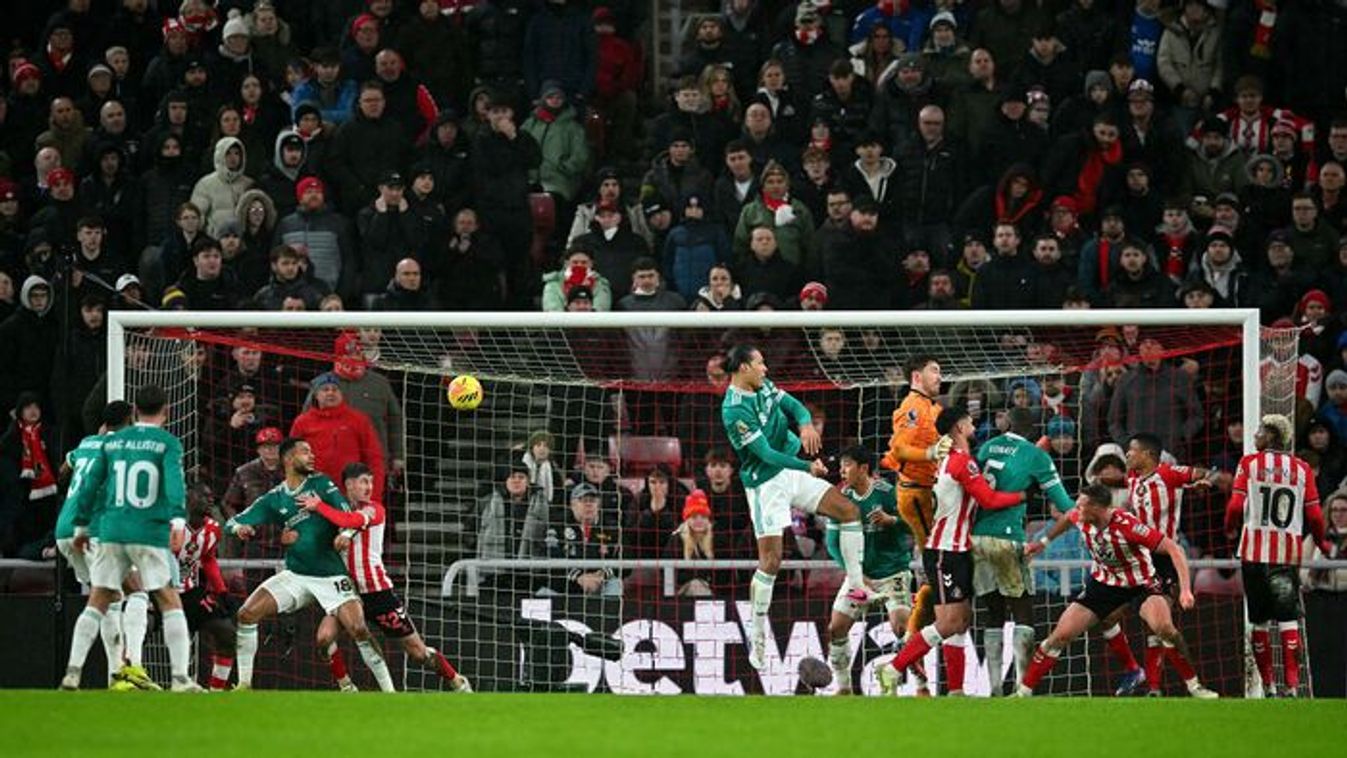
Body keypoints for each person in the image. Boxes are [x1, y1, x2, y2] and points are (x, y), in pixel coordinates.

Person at [720, 344, 872, 671]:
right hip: (765, 484)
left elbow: (792, 405)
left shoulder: (762, 385)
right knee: (771, 561)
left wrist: (805, 425)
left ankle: (857, 587)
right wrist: (807, 467)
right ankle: (757, 635)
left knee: (848, 511)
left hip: (790, 470)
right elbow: (765, 454)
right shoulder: (733, 411)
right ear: (744, 368)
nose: (765, 369)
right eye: (760, 363)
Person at [227, 438, 394, 692]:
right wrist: (240, 528)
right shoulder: (275, 498)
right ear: (288, 459)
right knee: (246, 615)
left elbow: (348, 516)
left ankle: (389, 692)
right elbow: (234, 521)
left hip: (331, 575)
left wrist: (345, 534)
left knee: (358, 629)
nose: (312, 456)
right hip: (296, 574)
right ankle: (244, 685)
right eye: (305, 452)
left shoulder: (321, 484)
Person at [63, 385, 200, 692]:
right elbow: (174, 485)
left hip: (111, 531)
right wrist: (178, 522)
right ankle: (180, 678)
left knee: (98, 599)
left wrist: (81, 527)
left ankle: (72, 672)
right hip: (146, 531)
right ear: (166, 412)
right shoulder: (167, 443)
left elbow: (89, 485)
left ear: (136, 411)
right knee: (168, 599)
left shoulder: (112, 442)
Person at [882, 406, 1025, 695]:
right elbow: (988, 499)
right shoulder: (961, 462)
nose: (973, 425)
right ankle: (893, 668)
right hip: (945, 552)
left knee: (960, 621)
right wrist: (1022, 495)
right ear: (959, 427)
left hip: (954, 551)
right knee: (950, 622)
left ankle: (956, 691)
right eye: (969, 421)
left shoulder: (950, 460)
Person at [1018, 483, 1197, 697]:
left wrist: (1185, 590)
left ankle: (1194, 686)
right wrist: (1043, 542)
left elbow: (1174, 548)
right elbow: (1067, 518)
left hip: (1140, 584)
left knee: (1163, 628)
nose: (1076, 509)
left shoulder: (1127, 525)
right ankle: (1022, 693)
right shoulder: (1080, 517)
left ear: (1096, 508)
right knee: (1060, 635)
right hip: (1104, 584)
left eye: (1081, 505)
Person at [310, 463, 472, 693]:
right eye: (364, 482)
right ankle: (346, 687)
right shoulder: (336, 513)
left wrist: (321, 508)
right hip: (347, 593)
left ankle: (456, 680)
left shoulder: (374, 509)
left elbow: (352, 522)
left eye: (371, 482)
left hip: (378, 594)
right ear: (349, 485)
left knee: (417, 652)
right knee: (324, 638)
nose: (369, 487)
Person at [1224, 414, 1332, 697]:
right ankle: (1293, 688)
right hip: (1285, 554)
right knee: (1288, 619)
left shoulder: (1249, 463)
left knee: (1259, 620)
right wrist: (1322, 543)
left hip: (1253, 553)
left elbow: (1235, 506)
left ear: (1271, 435)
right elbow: (1315, 515)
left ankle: (1269, 687)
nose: (1255, 434)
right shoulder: (1302, 468)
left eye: (1260, 430)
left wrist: (1230, 529)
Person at [972, 425, 1077, 695]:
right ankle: (1022, 687)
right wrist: (1045, 540)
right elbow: (1067, 508)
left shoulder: (988, 446)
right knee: (1023, 611)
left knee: (993, 612)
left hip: (976, 538)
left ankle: (994, 688)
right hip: (1007, 537)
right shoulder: (1036, 456)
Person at [879, 354, 950, 693]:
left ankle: (913, 642)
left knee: (939, 570)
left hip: (928, 492)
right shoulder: (912, 407)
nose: (940, 376)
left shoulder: (932, 408)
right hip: (916, 494)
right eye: (934, 370)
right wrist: (931, 454)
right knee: (938, 568)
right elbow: (901, 449)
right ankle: (910, 640)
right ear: (917, 376)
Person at [51, 400, 134, 685]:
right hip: (92, 531)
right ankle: (111, 674)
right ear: (129, 421)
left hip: (64, 529)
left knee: (111, 596)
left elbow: (64, 469)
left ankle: (117, 673)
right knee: (115, 596)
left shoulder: (87, 443)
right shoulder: (122, 451)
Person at [826, 445, 912, 695]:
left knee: (902, 627)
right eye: (841, 466)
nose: (842, 471)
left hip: (892, 572)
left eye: (847, 465)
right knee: (836, 628)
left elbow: (915, 524)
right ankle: (843, 688)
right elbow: (832, 544)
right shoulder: (839, 498)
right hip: (859, 577)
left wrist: (892, 520)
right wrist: (856, 575)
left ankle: (918, 684)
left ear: (863, 468)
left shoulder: (888, 493)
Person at [175, 482, 237, 690]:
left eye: (211, 496)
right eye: (203, 496)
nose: (210, 500)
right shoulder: (172, 525)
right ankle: (128, 673)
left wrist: (223, 593)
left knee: (227, 633)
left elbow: (208, 559)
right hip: (160, 591)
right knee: (144, 625)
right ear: (189, 499)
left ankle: (216, 691)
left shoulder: (213, 529)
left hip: (189, 592)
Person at [290, 372, 387, 502]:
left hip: (350, 495)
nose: (331, 393)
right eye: (325, 389)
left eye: (335, 389)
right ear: (316, 395)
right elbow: (292, 460)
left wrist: (373, 497)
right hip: (313, 495)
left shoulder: (358, 420)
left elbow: (374, 459)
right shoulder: (302, 422)